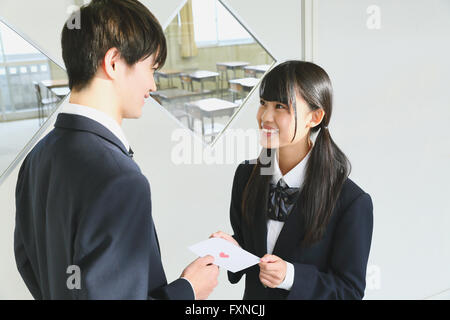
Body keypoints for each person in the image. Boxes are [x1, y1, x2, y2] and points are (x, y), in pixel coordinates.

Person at [14, 0, 218, 300]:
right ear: (113, 63)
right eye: (151, 68)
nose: (152, 84)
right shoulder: (119, 178)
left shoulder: (37, 157)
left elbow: (28, 262)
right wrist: (188, 291)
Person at [211, 60, 373, 299]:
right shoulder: (247, 176)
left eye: (280, 106)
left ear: (315, 117)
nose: (265, 116)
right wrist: (232, 250)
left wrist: (291, 276)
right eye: (263, 103)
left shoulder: (351, 201)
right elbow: (253, 248)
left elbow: (349, 292)